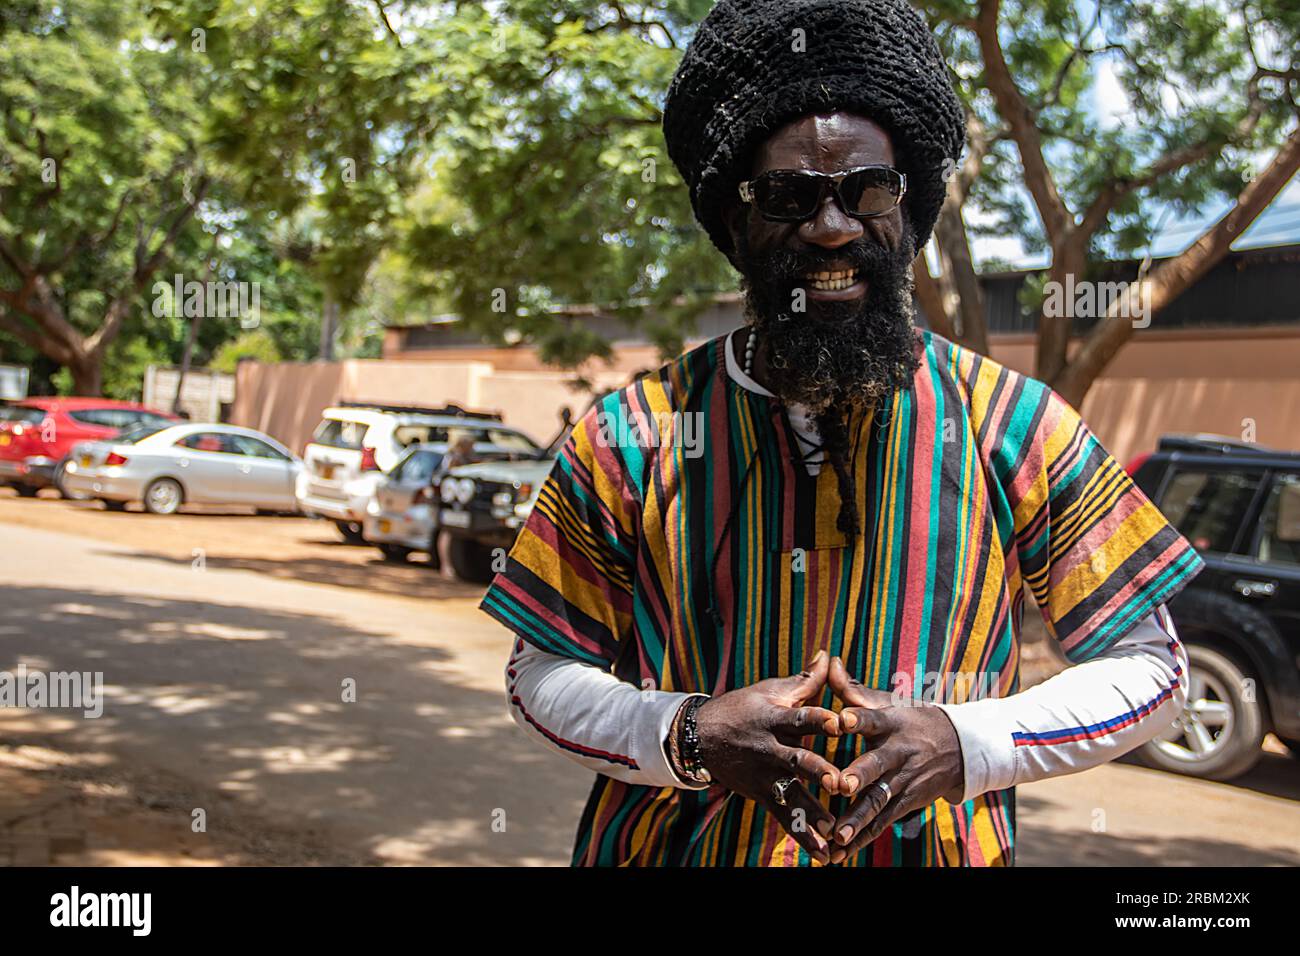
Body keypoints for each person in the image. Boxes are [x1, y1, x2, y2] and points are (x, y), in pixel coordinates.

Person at [479, 0, 1202, 867]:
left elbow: (1151, 667)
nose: (832, 226)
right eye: (789, 195)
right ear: (736, 221)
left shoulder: (1013, 423)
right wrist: (686, 733)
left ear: (908, 206)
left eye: (867, 188)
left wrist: (965, 743)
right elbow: (540, 671)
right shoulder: (634, 435)